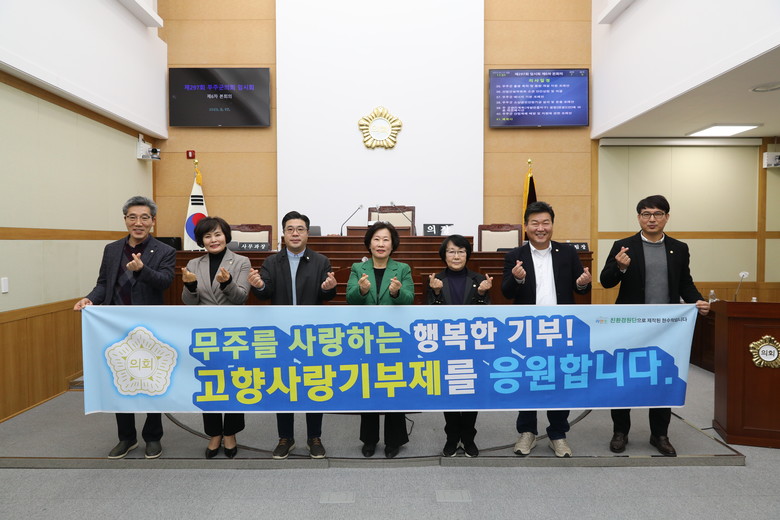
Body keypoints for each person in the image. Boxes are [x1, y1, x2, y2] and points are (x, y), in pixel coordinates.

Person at [600, 194, 710, 457]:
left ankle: (659, 434)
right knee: (624, 378)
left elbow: (684, 282)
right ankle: (620, 432)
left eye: (658, 214)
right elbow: (606, 281)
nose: (652, 219)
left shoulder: (679, 248)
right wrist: (620, 267)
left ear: (666, 217)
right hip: (629, 326)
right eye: (646, 214)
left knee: (662, 378)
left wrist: (697, 300)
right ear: (639, 217)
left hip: (665, 328)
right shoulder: (623, 246)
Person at [73, 195, 176, 459]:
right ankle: (126, 437)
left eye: (144, 218)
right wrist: (90, 299)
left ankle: (153, 437)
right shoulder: (112, 249)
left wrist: (142, 269)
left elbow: (165, 281)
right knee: (120, 380)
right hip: (115, 328)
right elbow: (103, 284)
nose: (138, 223)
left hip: (149, 328)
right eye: (132, 217)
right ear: (125, 220)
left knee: (152, 381)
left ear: (153, 221)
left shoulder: (165, 251)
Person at [501, 201, 591, 458]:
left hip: (561, 328)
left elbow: (580, 287)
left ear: (552, 224)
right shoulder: (515, 255)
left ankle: (558, 434)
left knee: (559, 380)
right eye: (535, 223)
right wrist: (517, 278)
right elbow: (507, 292)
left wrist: (582, 283)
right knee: (528, 380)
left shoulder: (567, 252)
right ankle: (527, 432)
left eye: (545, 223)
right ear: (526, 226)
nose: (540, 228)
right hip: (527, 330)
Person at [248, 211, 337, 459]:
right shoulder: (271, 262)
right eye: (290, 229)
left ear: (307, 233)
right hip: (282, 335)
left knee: (314, 383)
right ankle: (285, 437)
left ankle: (314, 437)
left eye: (300, 229)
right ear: (283, 234)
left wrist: (328, 288)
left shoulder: (321, 261)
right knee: (283, 384)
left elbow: (327, 294)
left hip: (311, 335)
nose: (295, 233)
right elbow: (265, 293)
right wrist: (259, 285)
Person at [181, 216, 251, 459]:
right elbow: (188, 302)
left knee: (233, 382)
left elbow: (241, 297)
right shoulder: (193, 263)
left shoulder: (241, 261)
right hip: (206, 334)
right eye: (208, 236)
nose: (213, 239)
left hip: (233, 334)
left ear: (226, 236)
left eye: (218, 234)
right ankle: (213, 433)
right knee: (209, 383)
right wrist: (190, 287)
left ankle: (230, 432)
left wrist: (227, 283)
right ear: (201, 240)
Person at [346, 222, 414, 458]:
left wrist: (396, 293)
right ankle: (369, 439)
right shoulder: (358, 268)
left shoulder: (402, 268)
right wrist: (362, 290)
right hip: (366, 338)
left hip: (393, 338)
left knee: (393, 385)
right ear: (369, 243)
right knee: (369, 387)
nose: (381, 244)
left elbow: (410, 298)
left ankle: (394, 440)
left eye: (386, 239)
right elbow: (350, 298)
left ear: (393, 244)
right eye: (376, 239)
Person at [428, 234, 493, 458]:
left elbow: (486, 316)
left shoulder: (479, 279)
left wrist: (482, 293)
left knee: (471, 391)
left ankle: (468, 437)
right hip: (446, 346)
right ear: (444, 255)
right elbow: (429, 314)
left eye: (461, 252)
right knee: (450, 392)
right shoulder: (435, 279)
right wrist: (436, 293)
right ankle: (451, 437)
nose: (456, 256)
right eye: (451, 252)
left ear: (467, 255)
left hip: (472, 346)